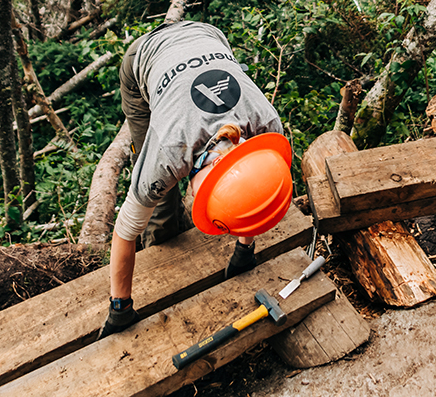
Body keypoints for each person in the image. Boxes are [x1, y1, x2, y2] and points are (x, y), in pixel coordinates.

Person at [98, 20, 292, 339]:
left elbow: (259, 189)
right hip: (143, 59)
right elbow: (124, 231)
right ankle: (163, 245)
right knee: (158, 205)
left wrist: (245, 251)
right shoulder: (167, 153)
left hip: (208, 35)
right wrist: (120, 308)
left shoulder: (267, 128)